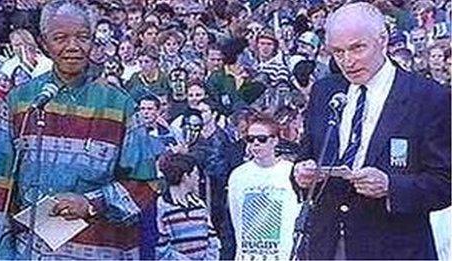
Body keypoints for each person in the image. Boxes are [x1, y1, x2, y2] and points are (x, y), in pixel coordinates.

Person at [0, 0, 162, 259]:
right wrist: (3, 254)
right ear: (44, 43)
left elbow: (147, 183)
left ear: (93, 42)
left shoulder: (120, 105)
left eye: (82, 37)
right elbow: (1, 188)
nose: (72, 46)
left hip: (102, 252)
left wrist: (93, 204)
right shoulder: (20, 102)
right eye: (60, 38)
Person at [292, 2, 451, 260]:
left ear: (383, 40)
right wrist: (301, 174)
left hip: (395, 250)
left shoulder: (429, 97)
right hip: (327, 245)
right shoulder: (324, 92)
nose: (347, 61)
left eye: (357, 48)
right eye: (338, 52)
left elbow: (445, 182)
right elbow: (307, 155)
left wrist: (391, 186)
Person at [228, 115, 300, 260]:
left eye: (262, 139)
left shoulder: (290, 171)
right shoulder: (238, 175)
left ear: (274, 141)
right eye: (250, 139)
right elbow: (235, 217)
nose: (255, 143)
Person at [155, 152, 221, 260]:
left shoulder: (199, 204)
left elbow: (212, 239)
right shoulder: (162, 206)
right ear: (186, 176)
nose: (198, 179)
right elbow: (161, 247)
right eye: (196, 174)